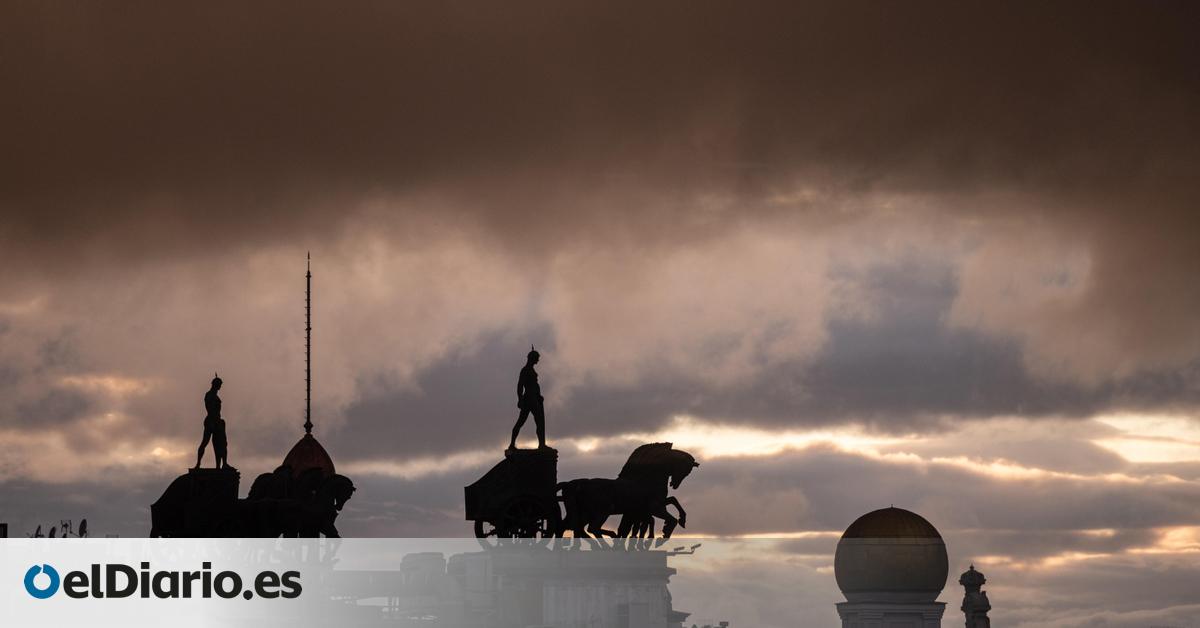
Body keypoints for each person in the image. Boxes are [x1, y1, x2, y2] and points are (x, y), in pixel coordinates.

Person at [509, 347, 547, 450]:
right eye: (537, 358)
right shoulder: (525, 370)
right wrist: (520, 399)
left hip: (534, 398)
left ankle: (541, 444)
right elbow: (520, 385)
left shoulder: (531, 370)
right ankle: (513, 444)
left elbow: (535, 385)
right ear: (532, 358)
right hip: (529, 399)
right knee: (528, 421)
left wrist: (539, 396)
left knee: (534, 421)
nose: (538, 360)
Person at [194, 374, 230, 469]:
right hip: (211, 421)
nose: (220, 386)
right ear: (215, 384)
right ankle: (198, 464)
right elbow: (209, 408)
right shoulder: (209, 395)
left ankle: (222, 465)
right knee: (206, 442)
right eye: (219, 384)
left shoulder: (214, 395)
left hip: (217, 421)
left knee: (220, 443)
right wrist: (214, 422)